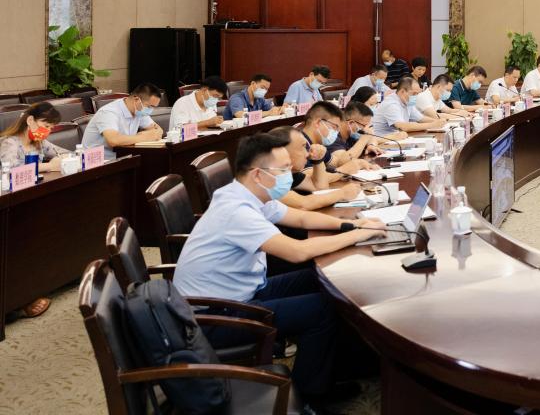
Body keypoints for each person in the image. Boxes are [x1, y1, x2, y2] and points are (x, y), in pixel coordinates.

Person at [173, 131, 386, 409]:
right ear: (258, 174)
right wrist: (359, 235)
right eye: (283, 170)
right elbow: (297, 252)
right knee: (321, 309)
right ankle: (312, 395)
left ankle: (342, 366)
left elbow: (301, 218)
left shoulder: (247, 193)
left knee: (323, 278)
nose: (291, 174)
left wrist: (353, 224)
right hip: (214, 317)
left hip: (241, 293)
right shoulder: (236, 210)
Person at [0, 103, 69, 318]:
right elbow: (9, 171)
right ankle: (20, 300)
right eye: (45, 125)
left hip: (33, 201)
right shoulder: (10, 143)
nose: (47, 131)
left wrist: (62, 159)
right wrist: (48, 166)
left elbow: (64, 153)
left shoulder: (39, 142)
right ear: (30, 120)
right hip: (11, 205)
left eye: (51, 128)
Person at [274, 124, 362, 206]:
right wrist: (342, 193)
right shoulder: (272, 178)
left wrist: (318, 160)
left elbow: (320, 188)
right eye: (302, 147)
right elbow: (302, 204)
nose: (307, 154)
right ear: (283, 152)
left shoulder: (291, 173)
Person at [82, 83, 164, 159]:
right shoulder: (109, 112)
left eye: (154, 107)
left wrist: (150, 135)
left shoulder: (139, 111)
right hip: (97, 162)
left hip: (122, 157)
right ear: (136, 100)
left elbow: (158, 130)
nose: (151, 110)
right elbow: (113, 140)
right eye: (149, 106)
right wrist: (144, 137)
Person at [375, 77, 442, 135]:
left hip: (396, 138)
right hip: (382, 141)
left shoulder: (407, 102)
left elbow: (421, 119)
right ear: (402, 91)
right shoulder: (391, 104)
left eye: (417, 94)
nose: (416, 96)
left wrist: (438, 122)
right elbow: (403, 127)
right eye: (414, 94)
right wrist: (432, 125)